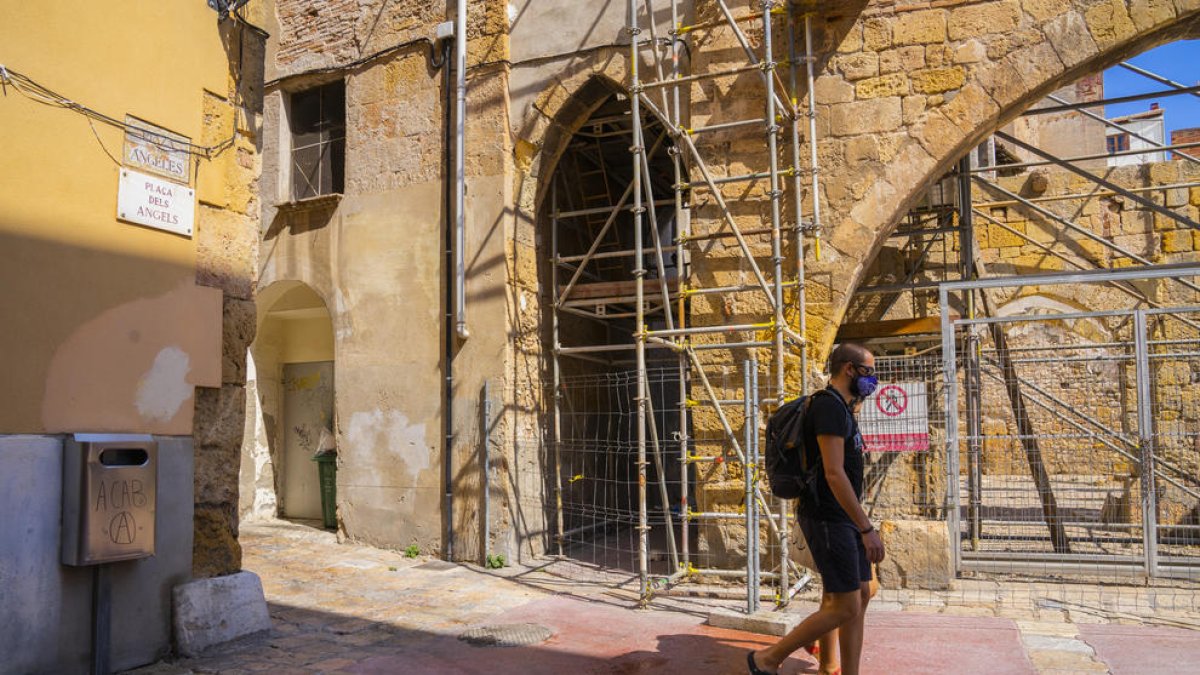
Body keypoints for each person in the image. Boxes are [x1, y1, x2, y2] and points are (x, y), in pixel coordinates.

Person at [748, 343, 885, 675]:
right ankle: (768, 659)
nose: (873, 380)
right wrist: (866, 528)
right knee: (845, 605)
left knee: (862, 594)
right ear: (849, 369)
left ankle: (839, 669)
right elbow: (834, 474)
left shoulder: (843, 408)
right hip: (828, 516)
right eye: (869, 372)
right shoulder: (829, 409)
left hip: (843, 517)